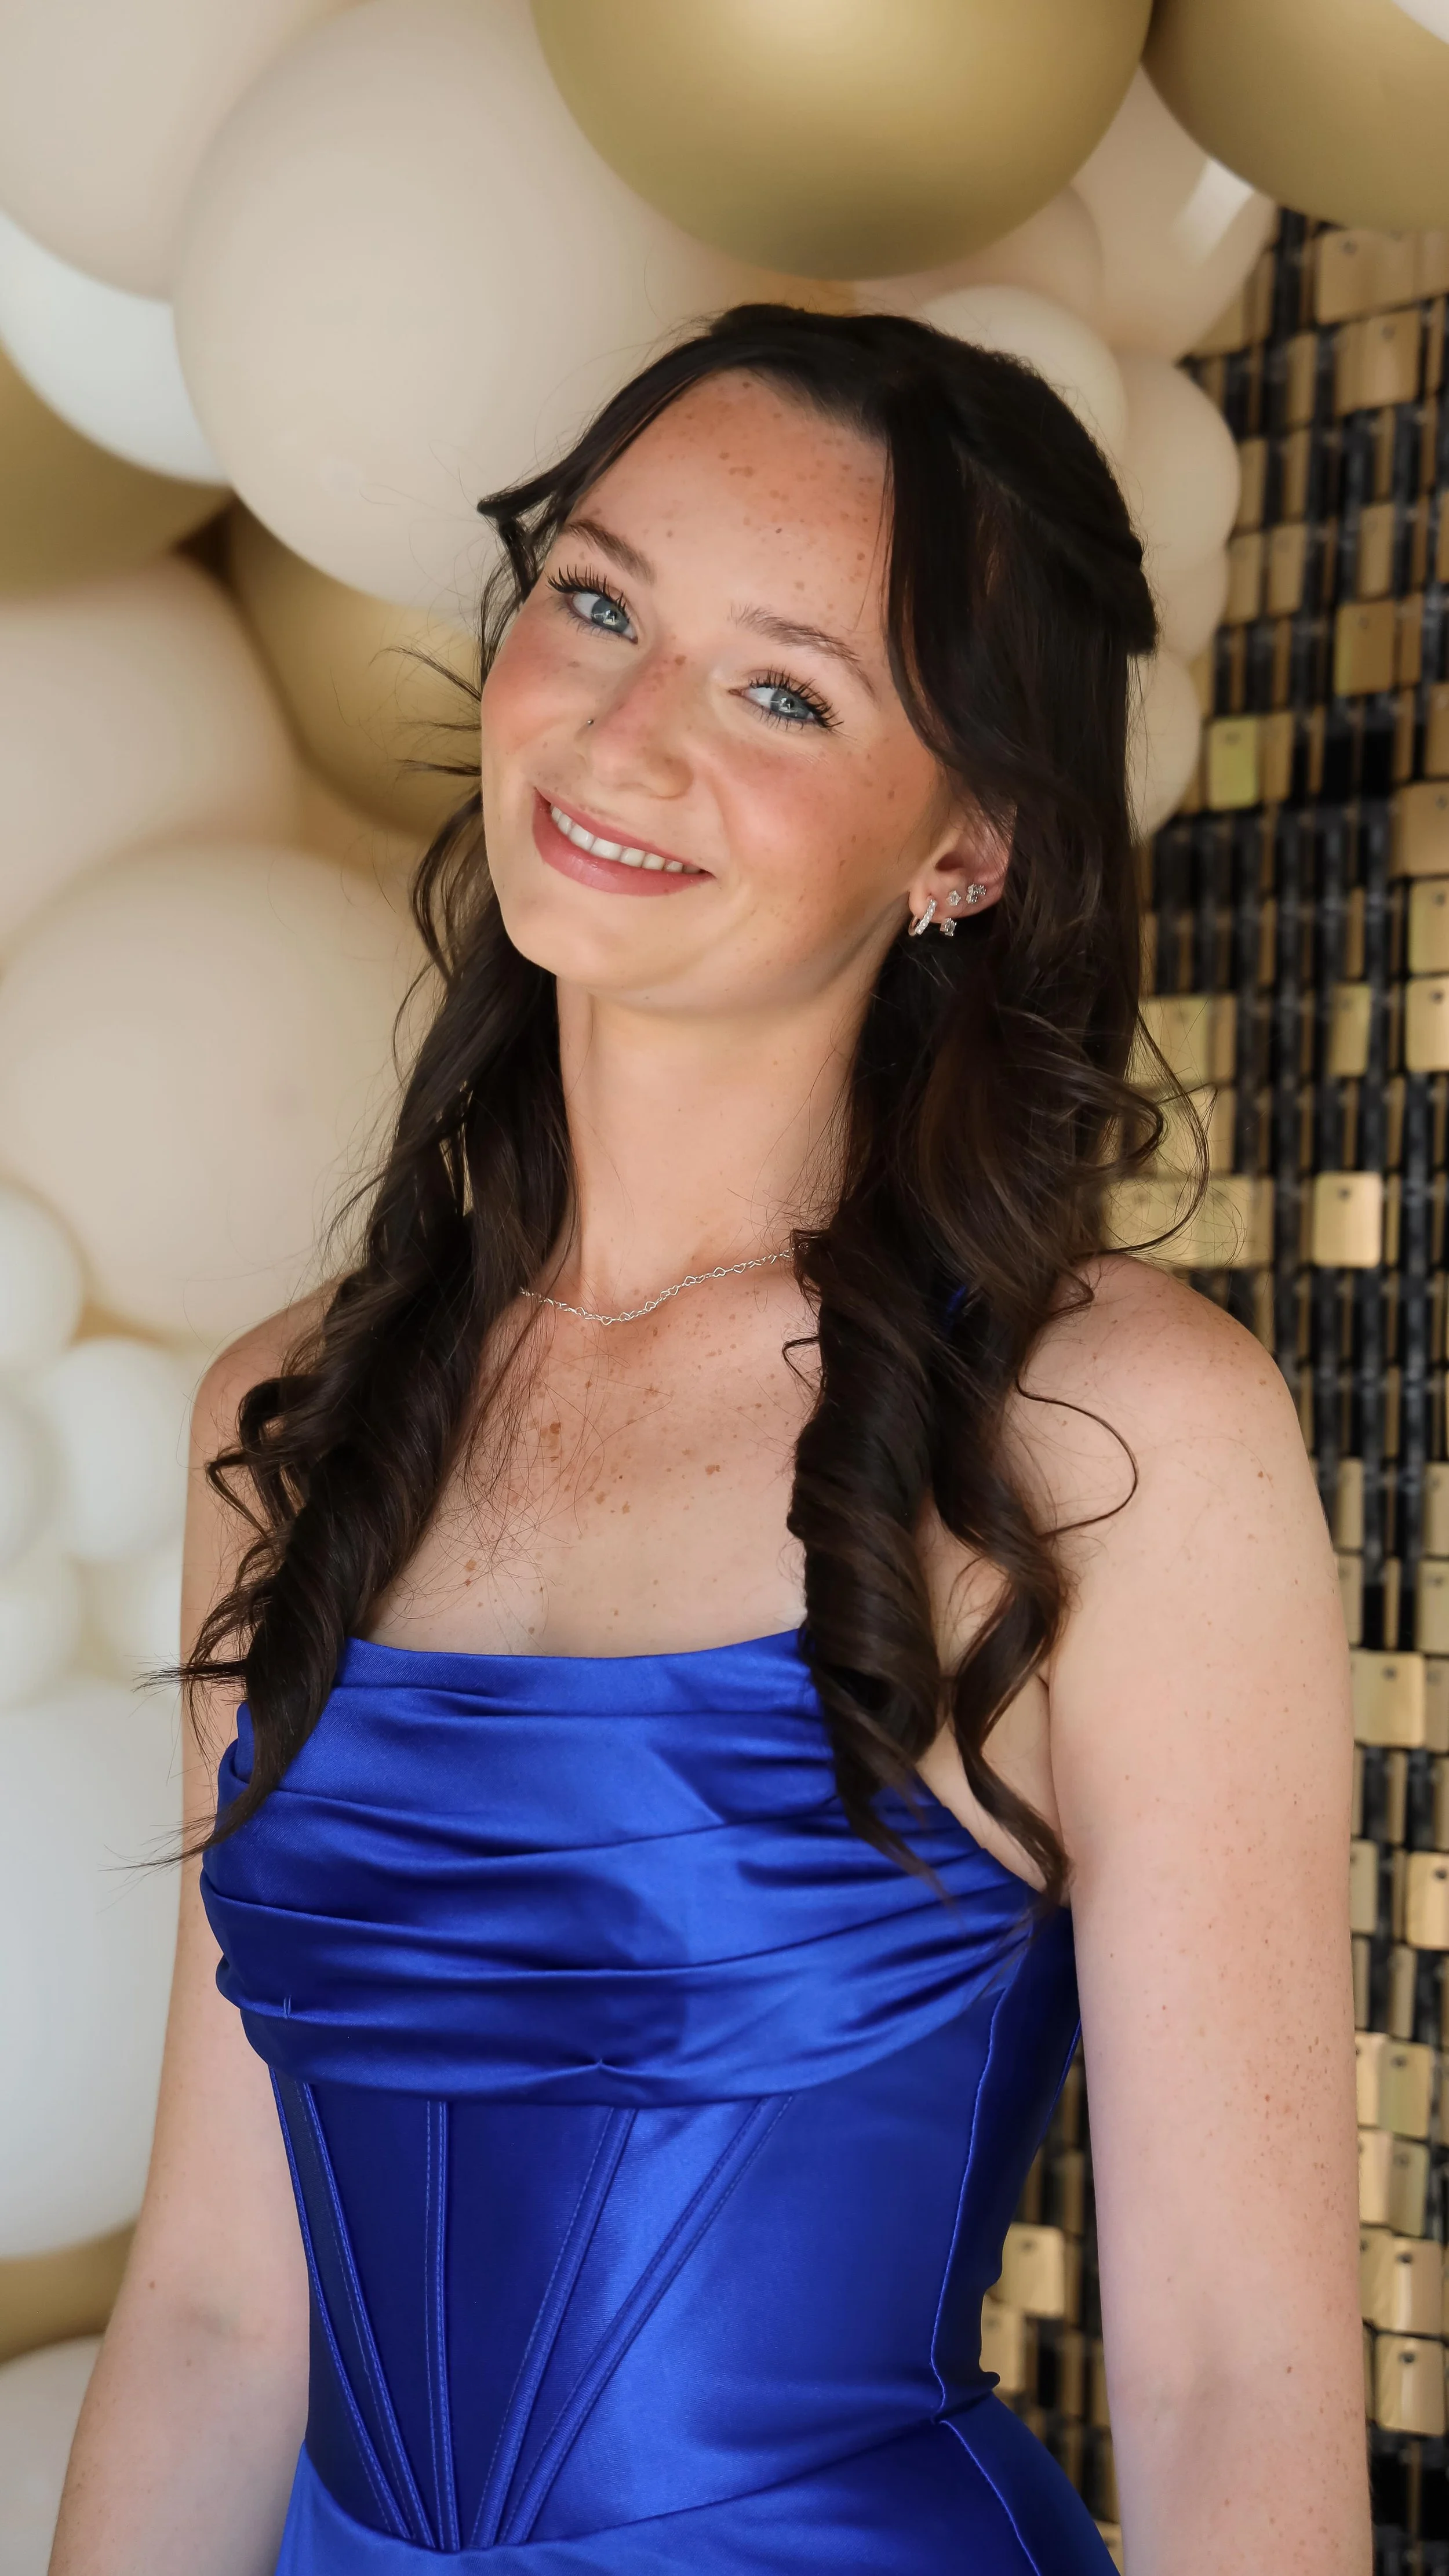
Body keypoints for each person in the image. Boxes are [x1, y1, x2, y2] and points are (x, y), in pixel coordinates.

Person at [49, 305, 1366, 2576]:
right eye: (597, 600)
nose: (626, 732)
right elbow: (210, 2314)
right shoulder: (284, 1413)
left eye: (785, 692)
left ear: (968, 842)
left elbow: (1229, 2368)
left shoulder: (1114, 1430)